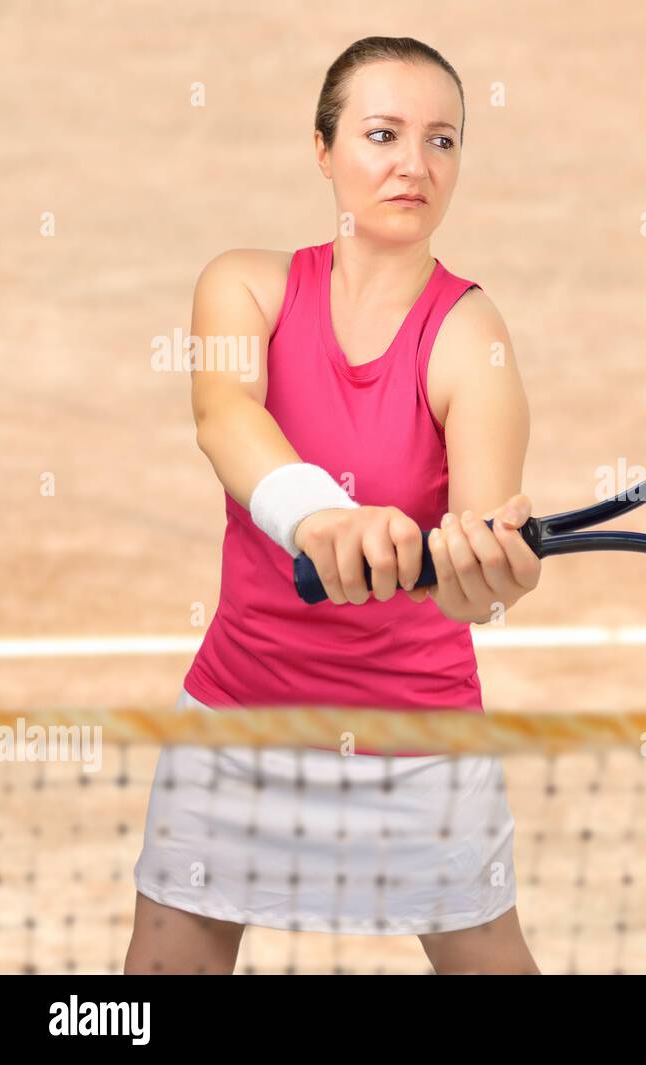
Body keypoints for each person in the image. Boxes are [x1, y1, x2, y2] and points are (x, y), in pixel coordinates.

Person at [125, 36, 541, 974]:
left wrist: (488, 575)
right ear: (323, 150)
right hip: (240, 717)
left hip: (415, 739)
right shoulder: (244, 286)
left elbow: (474, 594)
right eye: (383, 133)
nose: (413, 164)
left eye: (442, 141)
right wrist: (321, 519)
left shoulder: (472, 338)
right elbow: (223, 414)